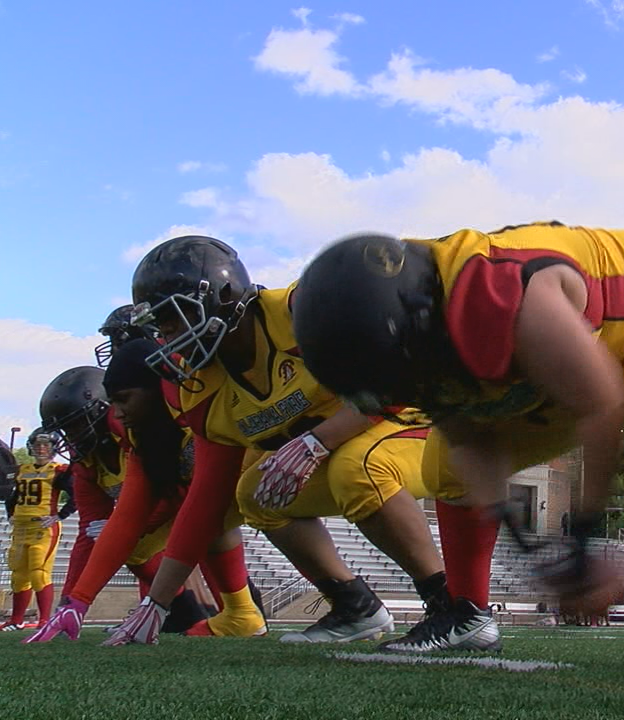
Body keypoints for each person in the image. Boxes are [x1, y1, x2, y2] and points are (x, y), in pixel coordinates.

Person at [288, 225, 624, 653]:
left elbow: (602, 405)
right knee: (445, 466)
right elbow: (470, 444)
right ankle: (468, 615)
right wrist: (532, 555)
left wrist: (581, 547)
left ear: (419, 324)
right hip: (580, 349)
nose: (411, 390)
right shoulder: (419, 319)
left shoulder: (505, 294)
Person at [105, 235, 463, 649]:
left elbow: (402, 377)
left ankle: (452, 606)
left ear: (222, 295)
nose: (167, 338)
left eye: (174, 319)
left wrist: (319, 440)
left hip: (421, 421)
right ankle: (354, 606)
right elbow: (207, 495)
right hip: (349, 444)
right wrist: (157, 602)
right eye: (160, 327)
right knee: (254, 493)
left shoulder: (303, 310)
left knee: (355, 467)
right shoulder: (204, 387)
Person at [25, 340, 262, 643]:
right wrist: (74, 601)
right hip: (193, 501)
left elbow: (186, 499)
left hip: (255, 478)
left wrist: (153, 601)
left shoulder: (183, 410)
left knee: (213, 517)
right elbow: (114, 523)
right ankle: (191, 611)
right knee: (130, 541)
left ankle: (237, 608)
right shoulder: (117, 447)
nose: (70, 439)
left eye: (74, 427)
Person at [3, 429, 73, 631]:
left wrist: (59, 515)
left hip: (43, 528)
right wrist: (10, 513)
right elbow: (12, 496)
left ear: (53, 448)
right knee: (18, 575)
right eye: (38, 445)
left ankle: (44, 620)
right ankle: (17, 620)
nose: (41, 448)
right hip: (21, 528)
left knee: (39, 573)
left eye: (46, 445)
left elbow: (77, 495)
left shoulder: (58, 470)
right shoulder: (22, 470)